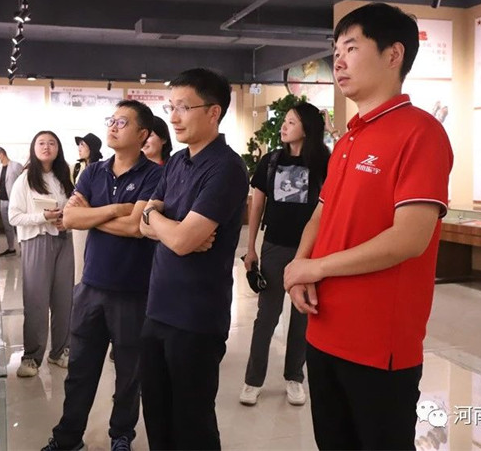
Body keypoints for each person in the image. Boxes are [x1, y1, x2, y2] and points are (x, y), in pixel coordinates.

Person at [283, 3, 453, 450]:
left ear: (394, 54)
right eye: (336, 50)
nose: (338, 61)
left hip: (378, 347)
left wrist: (317, 268)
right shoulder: (347, 140)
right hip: (322, 330)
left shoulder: (421, 133)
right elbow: (322, 214)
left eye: (352, 48)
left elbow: (409, 238)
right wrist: (300, 266)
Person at [139, 68, 249, 450]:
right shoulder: (175, 162)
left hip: (196, 318)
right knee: (156, 416)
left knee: (192, 424)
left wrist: (165, 225)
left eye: (183, 108)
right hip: (157, 308)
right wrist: (166, 225)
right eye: (170, 107)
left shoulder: (227, 168)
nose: (173, 117)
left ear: (213, 112)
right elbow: (143, 222)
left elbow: (182, 240)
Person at [43, 100, 161, 451]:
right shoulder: (93, 172)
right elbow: (69, 218)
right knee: (80, 371)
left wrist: (92, 215)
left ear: (142, 134)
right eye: (112, 120)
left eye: (122, 122)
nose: (113, 126)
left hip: (133, 292)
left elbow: (137, 227)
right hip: (90, 287)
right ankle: (68, 437)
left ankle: (121, 435)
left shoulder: (154, 175)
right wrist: (115, 209)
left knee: (129, 375)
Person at [239, 102, 330, 407]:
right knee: (267, 315)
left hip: (310, 251)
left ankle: (294, 377)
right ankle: (253, 380)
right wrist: (251, 248)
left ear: (307, 127)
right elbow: (257, 205)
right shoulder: (271, 161)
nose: (284, 126)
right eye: (285, 121)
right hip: (275, 246)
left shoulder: (324, 162)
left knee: (302, 315)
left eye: (291, 122)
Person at [9, 131, 76, 378]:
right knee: (36, 300)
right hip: (36, 241)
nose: (46, 147)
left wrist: (66, 219)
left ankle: (60, 351)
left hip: (63, 240)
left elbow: (73, 207)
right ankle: (31, 356)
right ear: (33, 148)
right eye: (41, 143)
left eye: (52, 143)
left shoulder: (64, 177)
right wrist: (42, 217)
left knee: (64, 299)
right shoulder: (25, 179)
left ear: (58, 148)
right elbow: (14, 216)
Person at [72, 133, 103, 284]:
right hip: (77, 218)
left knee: (88, 257)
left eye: (83, 145)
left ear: (92, 148)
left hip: (91, 218)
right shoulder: (78, 167)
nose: (79, 148)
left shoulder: (100, 170)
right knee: (78, 259)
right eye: (79, 145)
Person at [0, 146, 24, 256]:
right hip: (3, 201)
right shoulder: (0, 168)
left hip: (15, 201)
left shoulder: (16, 166)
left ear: (1, 154)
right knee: (7, 226)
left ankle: (23, 248)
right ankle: (11, 248)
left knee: (19, 225)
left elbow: (24, 182)